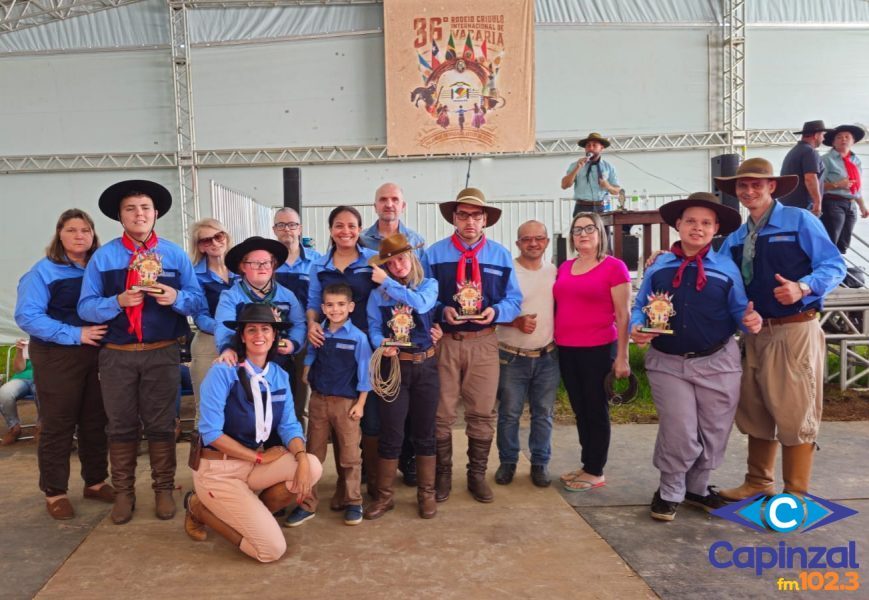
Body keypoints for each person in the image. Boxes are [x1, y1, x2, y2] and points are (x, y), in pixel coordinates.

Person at [712, 158, 846, 501]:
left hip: (794, 330)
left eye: (757, 184)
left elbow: (834, 264)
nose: (749, 190)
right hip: (755, 334)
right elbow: (716, 271)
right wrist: (670, 258)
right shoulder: (738, 237)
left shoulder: (799, 220)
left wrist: (802, 288)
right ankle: (758, 482)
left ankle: (796, 493)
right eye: (743, 185)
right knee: (755, 409)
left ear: (772, 186)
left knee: (794, 409)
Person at [78, 180, 204, 524]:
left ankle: (163, 488)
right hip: (117, 354)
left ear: (156, 213)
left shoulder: (174, 254)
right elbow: (86, 307)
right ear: (120, 216)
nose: (139, 214)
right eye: (130, 209)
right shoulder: (103, 258)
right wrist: (116, 301)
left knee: (162, 424)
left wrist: (175, 298)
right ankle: (124, 492)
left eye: (145, 208)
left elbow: (198, 300)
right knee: (120, 425)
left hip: (162, 353)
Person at [630, 193, 762, 521]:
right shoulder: (659, 266)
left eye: (706, 223)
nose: (697, 228)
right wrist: (637, 327)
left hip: (718, 362)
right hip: (668, 363)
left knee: (714, 430)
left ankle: (697, 488)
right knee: (680, 429)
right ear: (678, 224)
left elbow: (738, 309)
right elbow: (640, 306)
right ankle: (670, 489)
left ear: (715, 228)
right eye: (690, 221)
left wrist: (750, 320)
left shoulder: (728, 268)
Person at [184, 303, 322, 563]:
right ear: (243, 336)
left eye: (266, 329)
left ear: (274, 335)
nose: (260, 335)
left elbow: (289, 425)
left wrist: (302, 456)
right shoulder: (223, 372)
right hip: (219, 470)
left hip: (249, 466)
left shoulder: (279, 375)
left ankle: (251, 512)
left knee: (312, 466)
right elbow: (211, 433)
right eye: (252, 329)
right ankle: (200, 509)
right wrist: (257, 458)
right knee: (270, 551)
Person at [423, 187, 522, 504]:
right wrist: (441, 311)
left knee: (481, 412)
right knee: (441, 414)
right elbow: (424, 297)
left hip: (484, 343)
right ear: (454, 218)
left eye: (476, 215)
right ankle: (443, 477)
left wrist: (497, 312)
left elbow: (514, 299)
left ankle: (476, 476)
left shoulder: (501, 255)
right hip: (447, 343)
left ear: (485, 220)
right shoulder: (434, 255)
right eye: (463, 214)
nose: (469, 221)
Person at [15, 209, 112, 519]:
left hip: (96, 353)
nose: (80, 235)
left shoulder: (99, 269)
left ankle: (95, 482)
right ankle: (54, 491)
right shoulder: (43, 271)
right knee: (59, 424)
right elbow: (27, 316)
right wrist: (75, 333)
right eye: (72, 230)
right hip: (57, 355)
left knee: (95, 421)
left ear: (93, 235)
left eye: (85, 229)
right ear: (60, 235)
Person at [306, 206, 381, 503]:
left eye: (352, 226)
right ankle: (341, 486)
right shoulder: (319, 266)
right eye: (339, 225)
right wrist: (313, 325)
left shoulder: (371, 262)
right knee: (335, 418)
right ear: (330, 230)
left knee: (367, 417)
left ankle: (369, 485)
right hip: (331, 347)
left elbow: (386, 294)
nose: (345, 231)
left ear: (360, 229)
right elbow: (312, 301)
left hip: (364, 345)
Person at [365, 234, 440, 519]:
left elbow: (421, 305)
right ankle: (385, 497)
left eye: (401, 259)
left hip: (425, 366)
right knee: (391, 431)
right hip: (395, 367)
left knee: (425, 432)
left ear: (412, 258)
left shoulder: (428, 286)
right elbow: (373, 327)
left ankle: (426, 493)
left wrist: (386, 282)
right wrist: (380, 344)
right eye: (391, 262)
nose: (398, 266)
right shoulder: (376, 296)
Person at [555, 212, 631, 493]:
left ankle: (596, 470)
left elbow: (623, 315)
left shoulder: (614, 267)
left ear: (601, 233)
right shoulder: (564, 267)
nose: (583, 234)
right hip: (567, 348)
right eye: (577, 230)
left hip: (598, 349)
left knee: (596, 409)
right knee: (580, 409)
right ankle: (587, 463)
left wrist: (622, 356)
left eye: (589, 229)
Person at [286, 283, 371, 527]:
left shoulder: (358, 338)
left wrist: (361, 404)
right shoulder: (318, 333)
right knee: (313, 453)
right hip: (318, 402)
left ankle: (353, 501)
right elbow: (312, 353)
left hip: (346, 404)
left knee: (350, 455)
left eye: (341, 305)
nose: (336, 310)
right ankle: (306, 503)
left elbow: (366, 374)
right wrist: (307, 370)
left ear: (351, 307)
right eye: (330, 305)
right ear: (323, 308)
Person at [359, 183, 426, 486]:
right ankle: (372, 465)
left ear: (404, 205)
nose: (389, 204)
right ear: (375, 205)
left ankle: (409, 460)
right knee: (379, 403)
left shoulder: (417, 241)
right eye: (383, 200)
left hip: (411, 336)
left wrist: (432, 323)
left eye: (395, 199)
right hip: (376, 331)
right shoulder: (361, 240)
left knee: (411, 409)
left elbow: (423, 291)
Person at [493, 221, 559, 489]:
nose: (533, 243)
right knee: (509, 413)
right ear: (518, 243)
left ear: (546, 242)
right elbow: (491, 310)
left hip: (548, 355)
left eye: (539, 239)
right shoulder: (507, 271)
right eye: (527, 239)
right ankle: (508, 462)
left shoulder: (555, 272)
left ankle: (540, 462)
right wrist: (514, 322)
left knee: (543, 413)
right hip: (511, 355)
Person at [214, 237, 306, 376]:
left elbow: (299, 324)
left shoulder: (288, 296)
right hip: (244, 362)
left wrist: (293, 343)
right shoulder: (230, 296)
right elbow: (223, 326)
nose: (262, 267)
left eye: (267, 262)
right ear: (243, 267)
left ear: (273, 265)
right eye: (255, 263)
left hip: (280, 361)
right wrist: (227, 348)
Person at [273, 207, 322, 429]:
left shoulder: (316, 260)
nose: (287, 230)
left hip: (307, 336)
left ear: (299, 228)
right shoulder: (267, 260)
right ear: (274, 230)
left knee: (304, 395)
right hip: (272, 338)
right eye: (281, 225)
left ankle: (301, 447)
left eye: (292, 224)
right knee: (275, 394)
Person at [189, 218, 235, 427]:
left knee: (240, 406)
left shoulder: (243, 269)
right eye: (206, 240)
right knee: (207, 408)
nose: (215, 243)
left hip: (244, 342)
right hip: (209, 343)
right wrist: (225, 330)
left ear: (226, 236)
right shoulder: (194, 275)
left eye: (218, 236)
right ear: (199, 246)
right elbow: (199, 315)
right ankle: (202, 459)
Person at [820, 124, 867, 255]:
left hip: (851, 204)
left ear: (853, 141)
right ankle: (828, 269)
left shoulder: (855, 160)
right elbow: (817, 185)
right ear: (833, 143)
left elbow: (856, 186)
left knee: (844, 242)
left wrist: (862, 206)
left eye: (847, 137)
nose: (844, 139)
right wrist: (837, 184)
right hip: (833, 203)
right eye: (839, 137)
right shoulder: (826, 159)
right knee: (831, 240)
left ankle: (839, 270)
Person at [560, 132, 621, 215]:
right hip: (582, 207)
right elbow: (564, 185)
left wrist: (608, 186)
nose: (591, 148)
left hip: (602, 207)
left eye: (594, 145)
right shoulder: (575, 165)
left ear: (601, 148)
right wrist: (577, 168)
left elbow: (617, 191)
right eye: (588, 145)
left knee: (603, 228)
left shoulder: (608, 167)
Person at [779, 120, 828, 214]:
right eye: (822, 135)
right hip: (803, 206)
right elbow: (810, 178)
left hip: (790, 205)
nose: (823, 139)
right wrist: (817, 203)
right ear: (816, 135)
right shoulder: (810, 152)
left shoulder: (795, 151)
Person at [0, 339, 37, 446]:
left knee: (43, 392)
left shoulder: (54, 343)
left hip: (42, 378)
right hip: (21, 378)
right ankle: (14, 428)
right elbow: (18, 369)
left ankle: (41, 428)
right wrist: (19, 351)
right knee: (4, 393)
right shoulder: (28, 344)